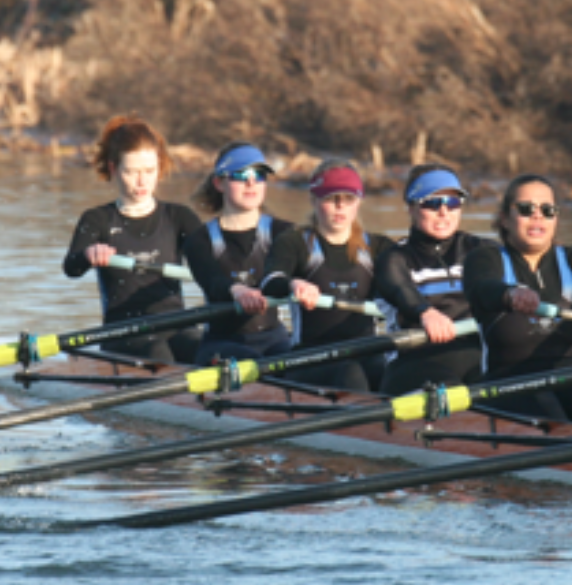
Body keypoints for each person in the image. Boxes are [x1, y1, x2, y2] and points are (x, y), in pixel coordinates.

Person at [462, 174, 572, 423]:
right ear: (504, 219)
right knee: (552, 420)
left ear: (556, 219)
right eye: (525, 208)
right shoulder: (485, 259)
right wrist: (509, 294)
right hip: (510, 381)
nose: (537, 215)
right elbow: (482, 288)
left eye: (547, 209)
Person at [62, 115, 203, 362]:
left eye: (149, 171)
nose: (142, 181)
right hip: (123, 332)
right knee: (158, 354)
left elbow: (213, 261)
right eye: (132, 171)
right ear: (114, 168)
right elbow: (71, 267)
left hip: (177, 325)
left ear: (159, 166)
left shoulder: (180, 217)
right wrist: (88, 255)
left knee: (205, 347)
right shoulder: (97, 219)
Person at [260, 161, 394, 391]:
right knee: (350, 373)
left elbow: (403, 287)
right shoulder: (294, 242)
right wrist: (294, 283)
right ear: (314, 200)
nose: (340, 206)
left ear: (358, 202)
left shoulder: (380, 247)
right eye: (331, 198)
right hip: (310, 358)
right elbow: (270, 282)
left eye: (348, 199)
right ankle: (361, 424)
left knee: (390, 372)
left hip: (365, 353)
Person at [375, 164, 496, 394]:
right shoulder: (394, 258)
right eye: (432, 203)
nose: (444, 212)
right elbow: (400, 288)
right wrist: (425, 312)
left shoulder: (482, 251)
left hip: (477, 360)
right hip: (413, 364)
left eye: (452, 203)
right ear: (411, 207)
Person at [183, 143, 294, 365]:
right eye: (241, 174)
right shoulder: (199, 239)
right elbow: (213, 280)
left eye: (259, 175)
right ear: (219, 183)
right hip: (220, 343)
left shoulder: (285, 233)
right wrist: (238, 290)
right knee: (252, 362)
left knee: (288, 360)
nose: (251, 182)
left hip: (276, 340)